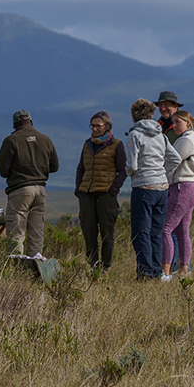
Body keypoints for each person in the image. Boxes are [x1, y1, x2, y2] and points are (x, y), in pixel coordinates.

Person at [0, 110, 59, 258]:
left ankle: (16, 270)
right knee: (36, 233)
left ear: (15, 124)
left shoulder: (11, 140)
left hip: (20, 191)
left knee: (16, 232)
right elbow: (54, 166)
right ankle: (34, 269)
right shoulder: (46, 139)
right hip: (40, 191)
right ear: (31, 122)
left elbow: (2, 168)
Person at [124, 99, 171, 279]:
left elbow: (132, 164)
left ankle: (145, 272)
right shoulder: (161, 135)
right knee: (155, 232)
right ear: (152, 114)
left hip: (143, 186)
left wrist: (131, 172)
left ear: (134, 115)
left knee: (140, 231)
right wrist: (163, 172)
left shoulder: (135, 135)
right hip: (162, 187)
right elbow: (174, 158)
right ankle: (156, 270)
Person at [73, 113, 126, 270]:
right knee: (89, 233)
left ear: (107, 127)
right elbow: (81, 168)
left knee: (106, 233)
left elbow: (123, 170)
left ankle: (106, 266)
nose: (95, 129)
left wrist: (113, 189)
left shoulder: (117, 145)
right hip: (86, 193)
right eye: (92, 125)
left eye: (98, 126)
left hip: (105, 194)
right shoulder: (87, 144)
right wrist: (79, 189)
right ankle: (93, 266)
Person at [160, 111, 194, 280]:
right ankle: (184, 270)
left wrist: (162, 179)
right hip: (190, 187)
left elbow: (172, 161)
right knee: (182, 231)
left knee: (165, 229)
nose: (174, 125)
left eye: (178, 122)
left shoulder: (186, 140)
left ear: (188, 123)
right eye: (173, 122)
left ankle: (165, 271)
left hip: (181, 188)